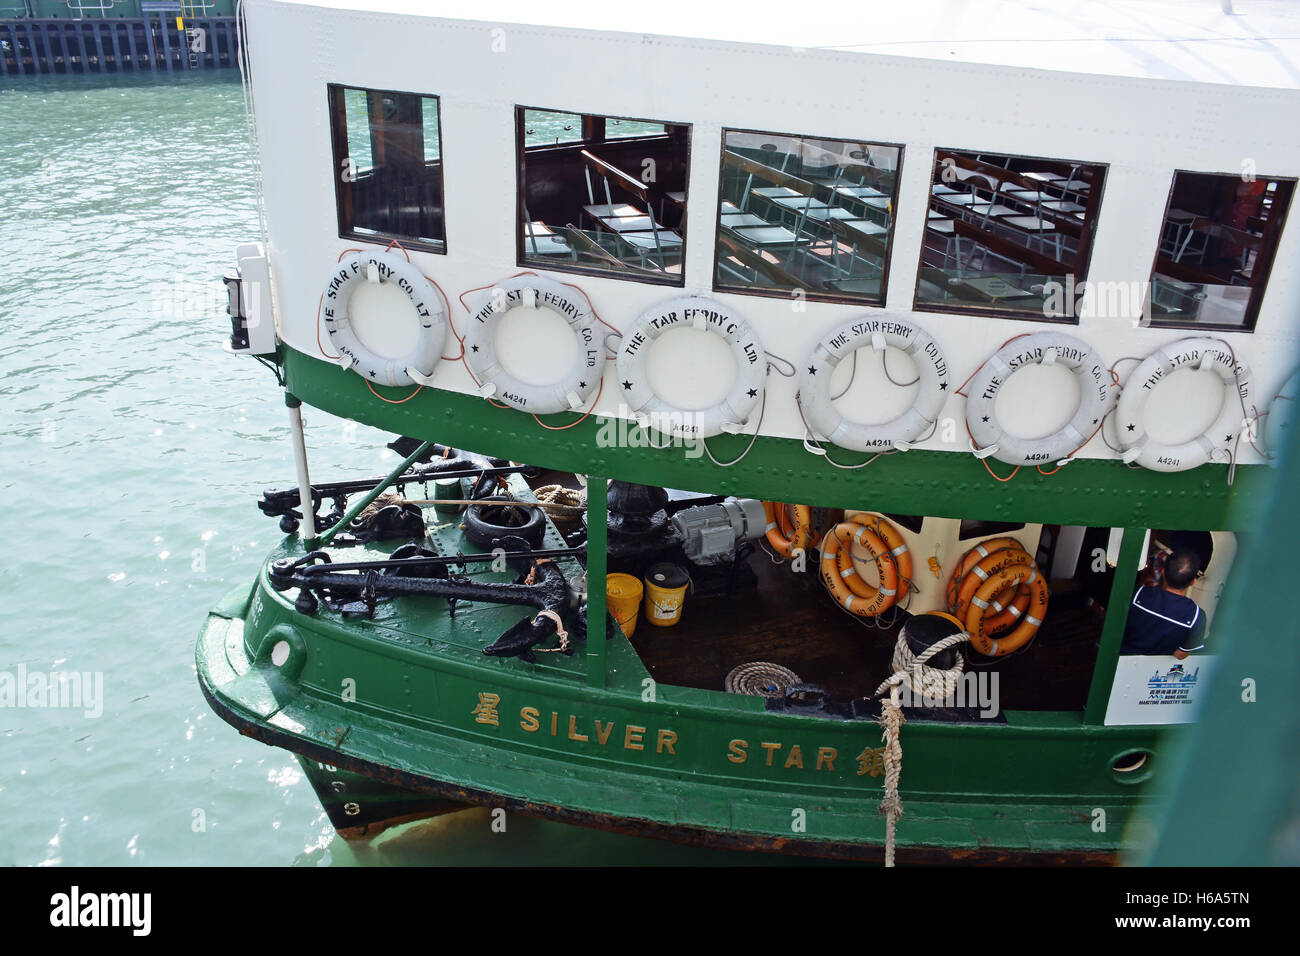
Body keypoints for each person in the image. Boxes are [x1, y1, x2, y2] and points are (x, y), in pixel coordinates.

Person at [1120, 549, 1208, 658]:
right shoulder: (1197, 616)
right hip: (1153, 668)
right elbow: (1180, 654)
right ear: (1193, 582)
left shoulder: (1137, 594)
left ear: (1162, 571)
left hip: (1118, 660)